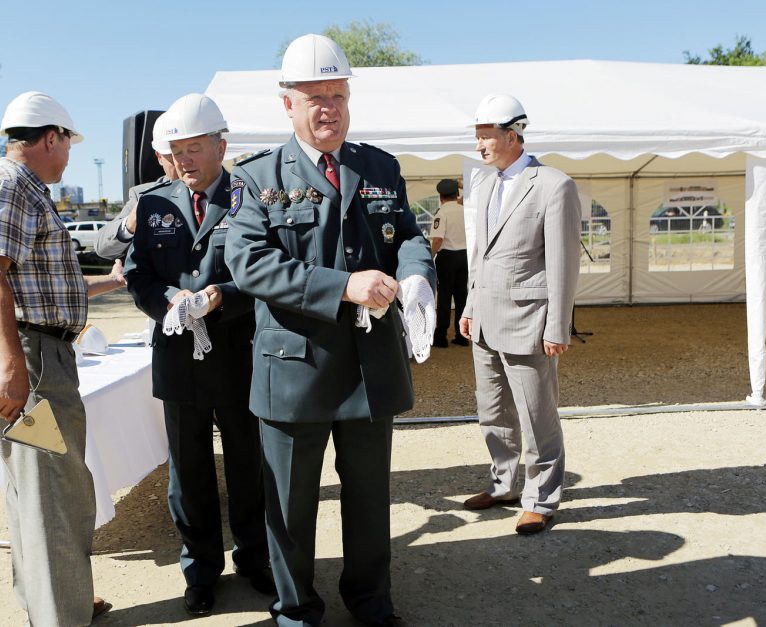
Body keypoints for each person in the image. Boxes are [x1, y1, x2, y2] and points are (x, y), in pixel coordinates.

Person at [224, 34, 436, 627]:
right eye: (314, 96)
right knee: (290, 506)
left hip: (370, 367)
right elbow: (249, 262)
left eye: (337, 94)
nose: (328, 107)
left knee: (368, 501)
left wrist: (418, 277)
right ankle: (296, 610)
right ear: (286, 103)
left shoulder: (378, 166)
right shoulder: (257, 176)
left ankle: (371, 603)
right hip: (296, 368)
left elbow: (410, 235)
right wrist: (343, 286)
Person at [0, 91, 125, 625]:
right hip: (28, 360)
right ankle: (62, 617)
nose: (69, 155)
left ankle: (60, 602)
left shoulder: (23, 190)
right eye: (68, 144)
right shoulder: (9, 187)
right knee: (50, 493)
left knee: (41, 490)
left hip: (35, 352)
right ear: (50, 137)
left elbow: (44, 285)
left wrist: (111, 281)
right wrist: (11, 368)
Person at [123, 93, 271, 617]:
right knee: (189, 475)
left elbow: (267, 271)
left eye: (194, 148)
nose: (184, 159)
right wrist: (169, 300)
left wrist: (221, 297)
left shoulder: (250, 196)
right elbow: (137, 274)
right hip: (179, 359)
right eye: (176, 150)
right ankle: (200, 569)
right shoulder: (154, 202)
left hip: (238, 353)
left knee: (249, 467)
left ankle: (256, 561)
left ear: (220, 146)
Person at [458, 94, 581, 535]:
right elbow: (481, 256)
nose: (479, 147)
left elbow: (564, 262)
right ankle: (504, 483)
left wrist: (557, 325)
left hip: (529, 321)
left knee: (535, 414)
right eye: (477, 138)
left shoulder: (553, 184)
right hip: (486, 320)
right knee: (491, 411)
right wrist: (469, 306)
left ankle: (542, 499)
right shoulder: (486, 184)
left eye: (485, 138)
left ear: (512, 135)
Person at [95, 113, 178, 260]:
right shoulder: (143, 195)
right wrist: (129, 226)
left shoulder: (227, 191)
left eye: (191, 151)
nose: (180, 162)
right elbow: (102, 247)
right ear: (159, 157)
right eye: (172, 156)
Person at [430, 178, 470, 348]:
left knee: (444, 297)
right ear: (457, 194)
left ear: (441, 197)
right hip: (464, 256)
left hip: (447, 257)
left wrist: (430, 256)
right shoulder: (465, 210)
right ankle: (462, 335)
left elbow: (438, 239)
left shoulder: (442, 213)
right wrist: (461, 184)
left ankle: (441, 337)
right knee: (462, 297)